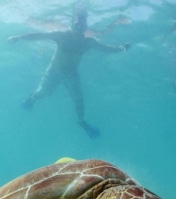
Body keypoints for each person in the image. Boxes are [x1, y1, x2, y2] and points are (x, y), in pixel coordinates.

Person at [8, 9, 130, 138]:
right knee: (43, 93)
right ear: (71, 24)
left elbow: (106, 49)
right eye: (77, 24)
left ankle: (81, 122)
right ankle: (31, 99)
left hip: (72, 75)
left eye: (82, 26)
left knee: (79, 100)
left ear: (85, 27)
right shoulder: (61, 35)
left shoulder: (88, 42)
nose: (79, 28)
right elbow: (40, 35)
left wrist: (121, 49)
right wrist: (20, 37)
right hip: (53, 72)